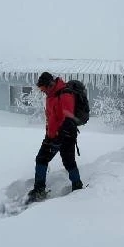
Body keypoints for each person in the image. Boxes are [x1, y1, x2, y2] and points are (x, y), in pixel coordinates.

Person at [27, 72, 83, 202]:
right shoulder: (50, 95)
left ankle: (77, 187)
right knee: (42, 159)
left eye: (43, 89)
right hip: (53, 135)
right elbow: (52, 116)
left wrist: (59, 137)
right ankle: (40, 189)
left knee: (66, 161)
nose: (42, 92)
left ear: (50, 85)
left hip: (65, 135)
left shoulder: (65, 94)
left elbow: (68, 119)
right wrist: (49, 132)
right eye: (40, 90)